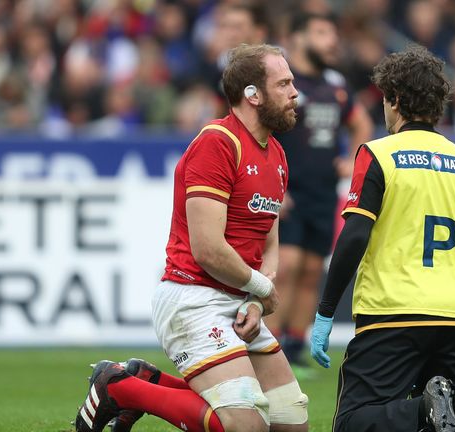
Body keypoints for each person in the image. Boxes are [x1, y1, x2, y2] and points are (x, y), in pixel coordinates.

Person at [74, 44, 308, 432]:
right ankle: (120, 388)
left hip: (239, 301)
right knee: (246, 427)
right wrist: (262, 288)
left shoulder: (277, 155)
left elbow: (268, 239)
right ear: (253, 95)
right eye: (283, 83)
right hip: (193, 298)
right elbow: (207, 248)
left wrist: (255, 299)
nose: (294, 92)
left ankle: (148, 380)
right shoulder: (217, 142)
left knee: (291, 426)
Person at [309, 45, 455, 432]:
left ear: (396, 100)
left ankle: (424, 408)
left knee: (353, 422)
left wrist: (324, 311)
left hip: (393, 313)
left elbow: (354, 237)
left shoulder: (378, 154)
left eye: (386, 100)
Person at [265, 11, 373, 370]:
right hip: (288, 191)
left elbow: (361, 124)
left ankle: (295, 348)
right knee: (288, 266)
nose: (331, 40)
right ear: (297, 38)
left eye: (333, 32)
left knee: (312, 269)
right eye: (322, 32)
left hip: (323, 192)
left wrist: (353, 159)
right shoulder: (282, 83)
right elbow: (258, 132)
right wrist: (272, 185)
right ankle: (270, 349)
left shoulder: (335, 84)